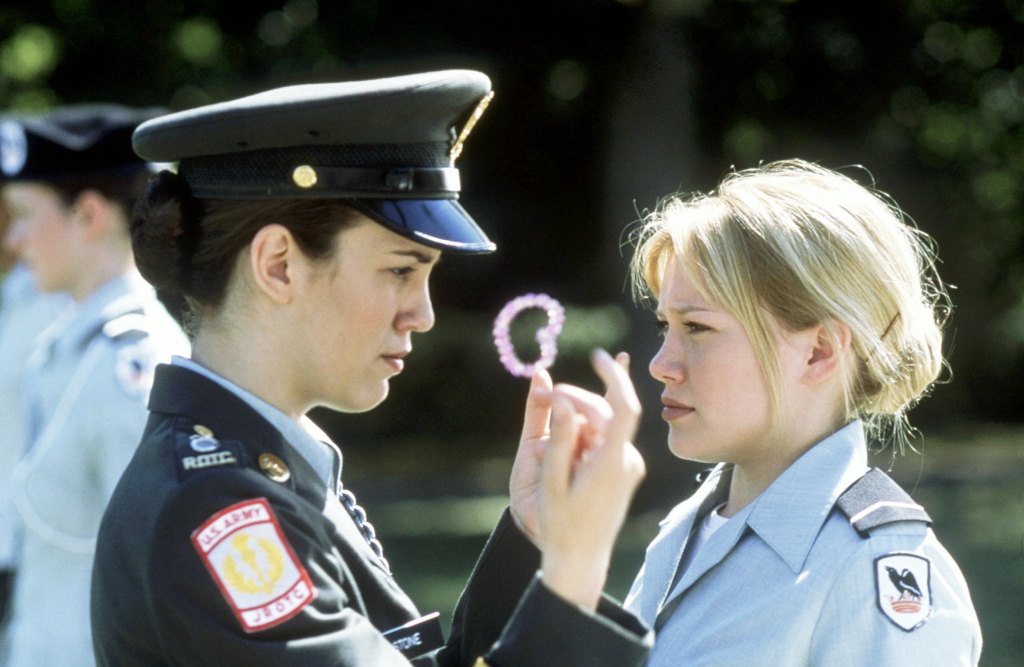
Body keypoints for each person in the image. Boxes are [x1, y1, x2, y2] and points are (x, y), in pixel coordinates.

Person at [90, 69, 651, 666]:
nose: (424, 313)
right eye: (400, 271)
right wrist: (574, 572)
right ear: (279, 264)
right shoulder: (214, 511)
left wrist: (535, 538)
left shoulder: (259, 468)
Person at [621, 159, 983, 665]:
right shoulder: (688, 529)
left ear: (819, 352)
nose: (661, 365)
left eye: (697, 328)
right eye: (665, 326)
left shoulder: (873, 567)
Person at [0, 104, 189, 666]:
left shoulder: (131, 364)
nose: (15, 239)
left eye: (24, 214)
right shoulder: (73, 343)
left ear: (88, 215)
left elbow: (158, 576)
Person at [0, 184, 69, 660]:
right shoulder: (21, 288)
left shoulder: (62, 299)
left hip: (39, 546)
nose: (13, 237)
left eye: (22, 214)